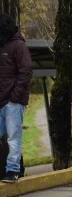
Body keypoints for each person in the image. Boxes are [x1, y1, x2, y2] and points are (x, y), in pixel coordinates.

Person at [0, 15, 32, 183]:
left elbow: (25, 72)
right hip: (2, 100)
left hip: (12, 102)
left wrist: (15, 98)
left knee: (13, 137)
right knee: (11, 137)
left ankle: (12, 171)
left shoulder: (19, 46)